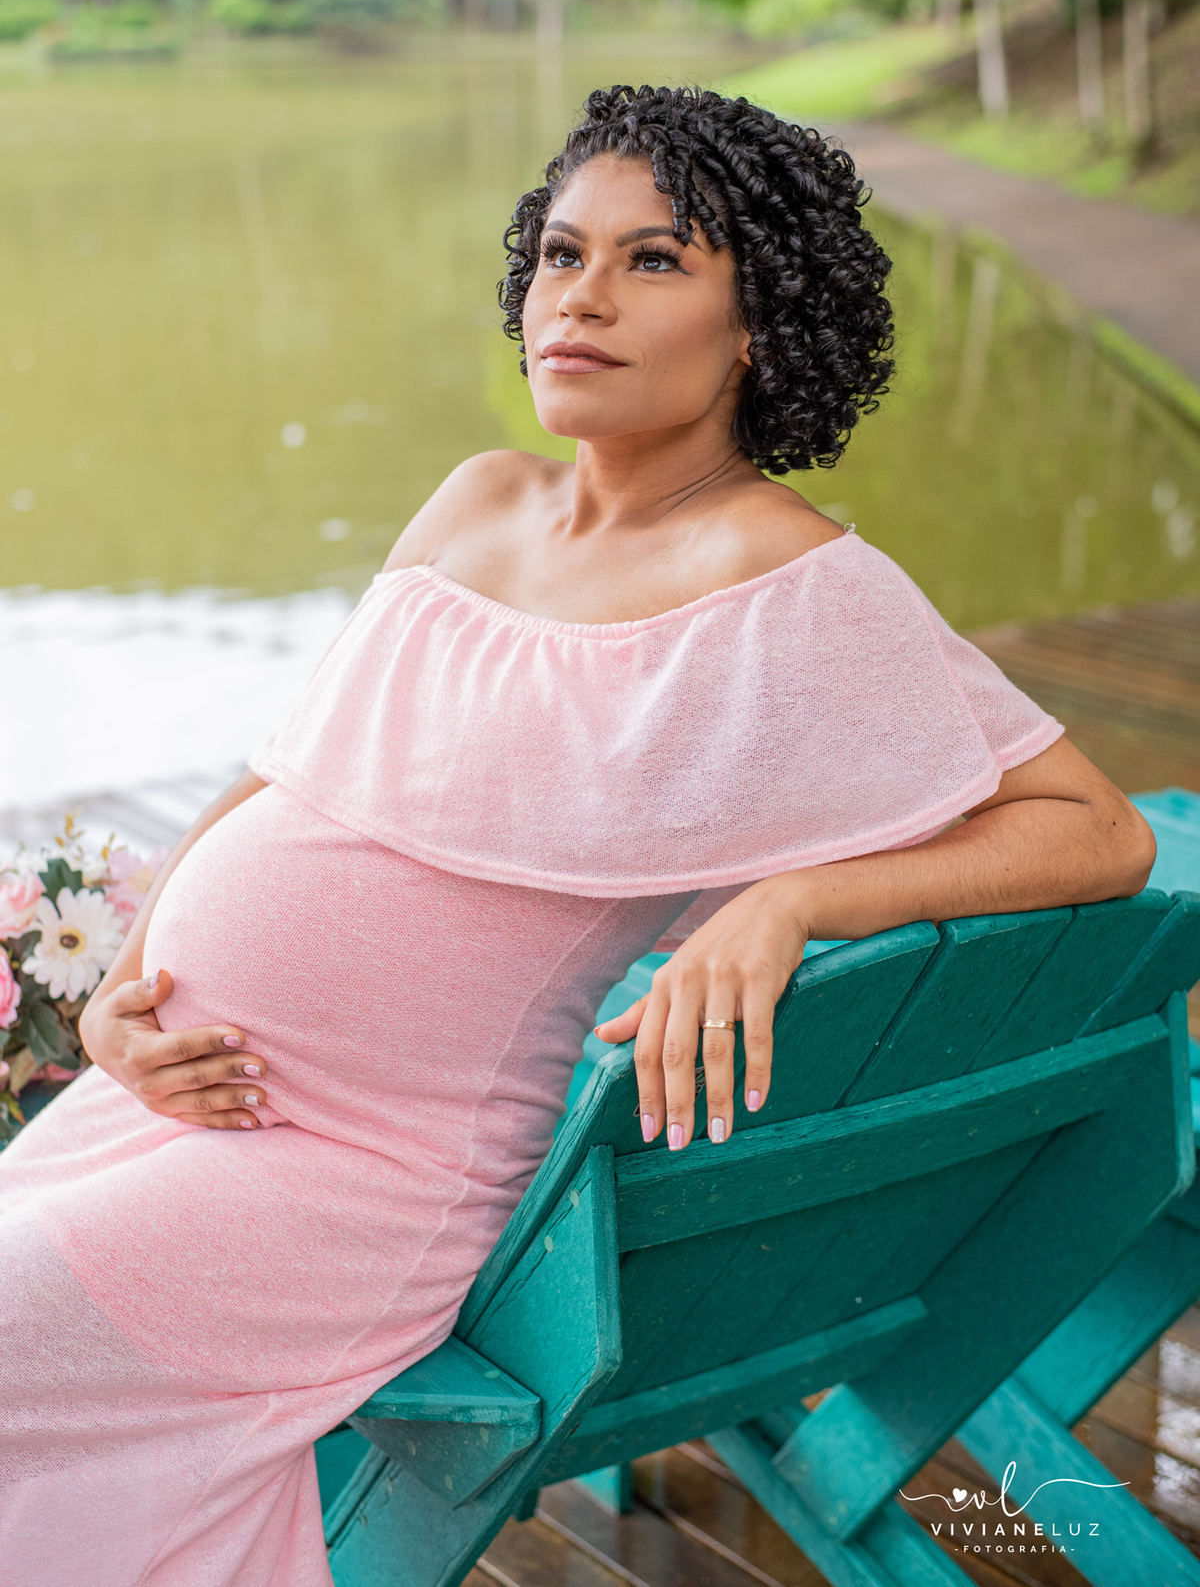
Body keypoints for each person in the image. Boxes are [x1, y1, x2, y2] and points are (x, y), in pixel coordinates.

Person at [0, 86, 1153, 1586]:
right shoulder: (481, 500)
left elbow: (1099, 828)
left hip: (354, 1178)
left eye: (656, 260)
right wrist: (121, 992)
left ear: (761, 324)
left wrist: (797, 898)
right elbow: (282, 779)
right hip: (169, 1104)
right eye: (560, 255)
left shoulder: (795, 585)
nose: (584, 297)